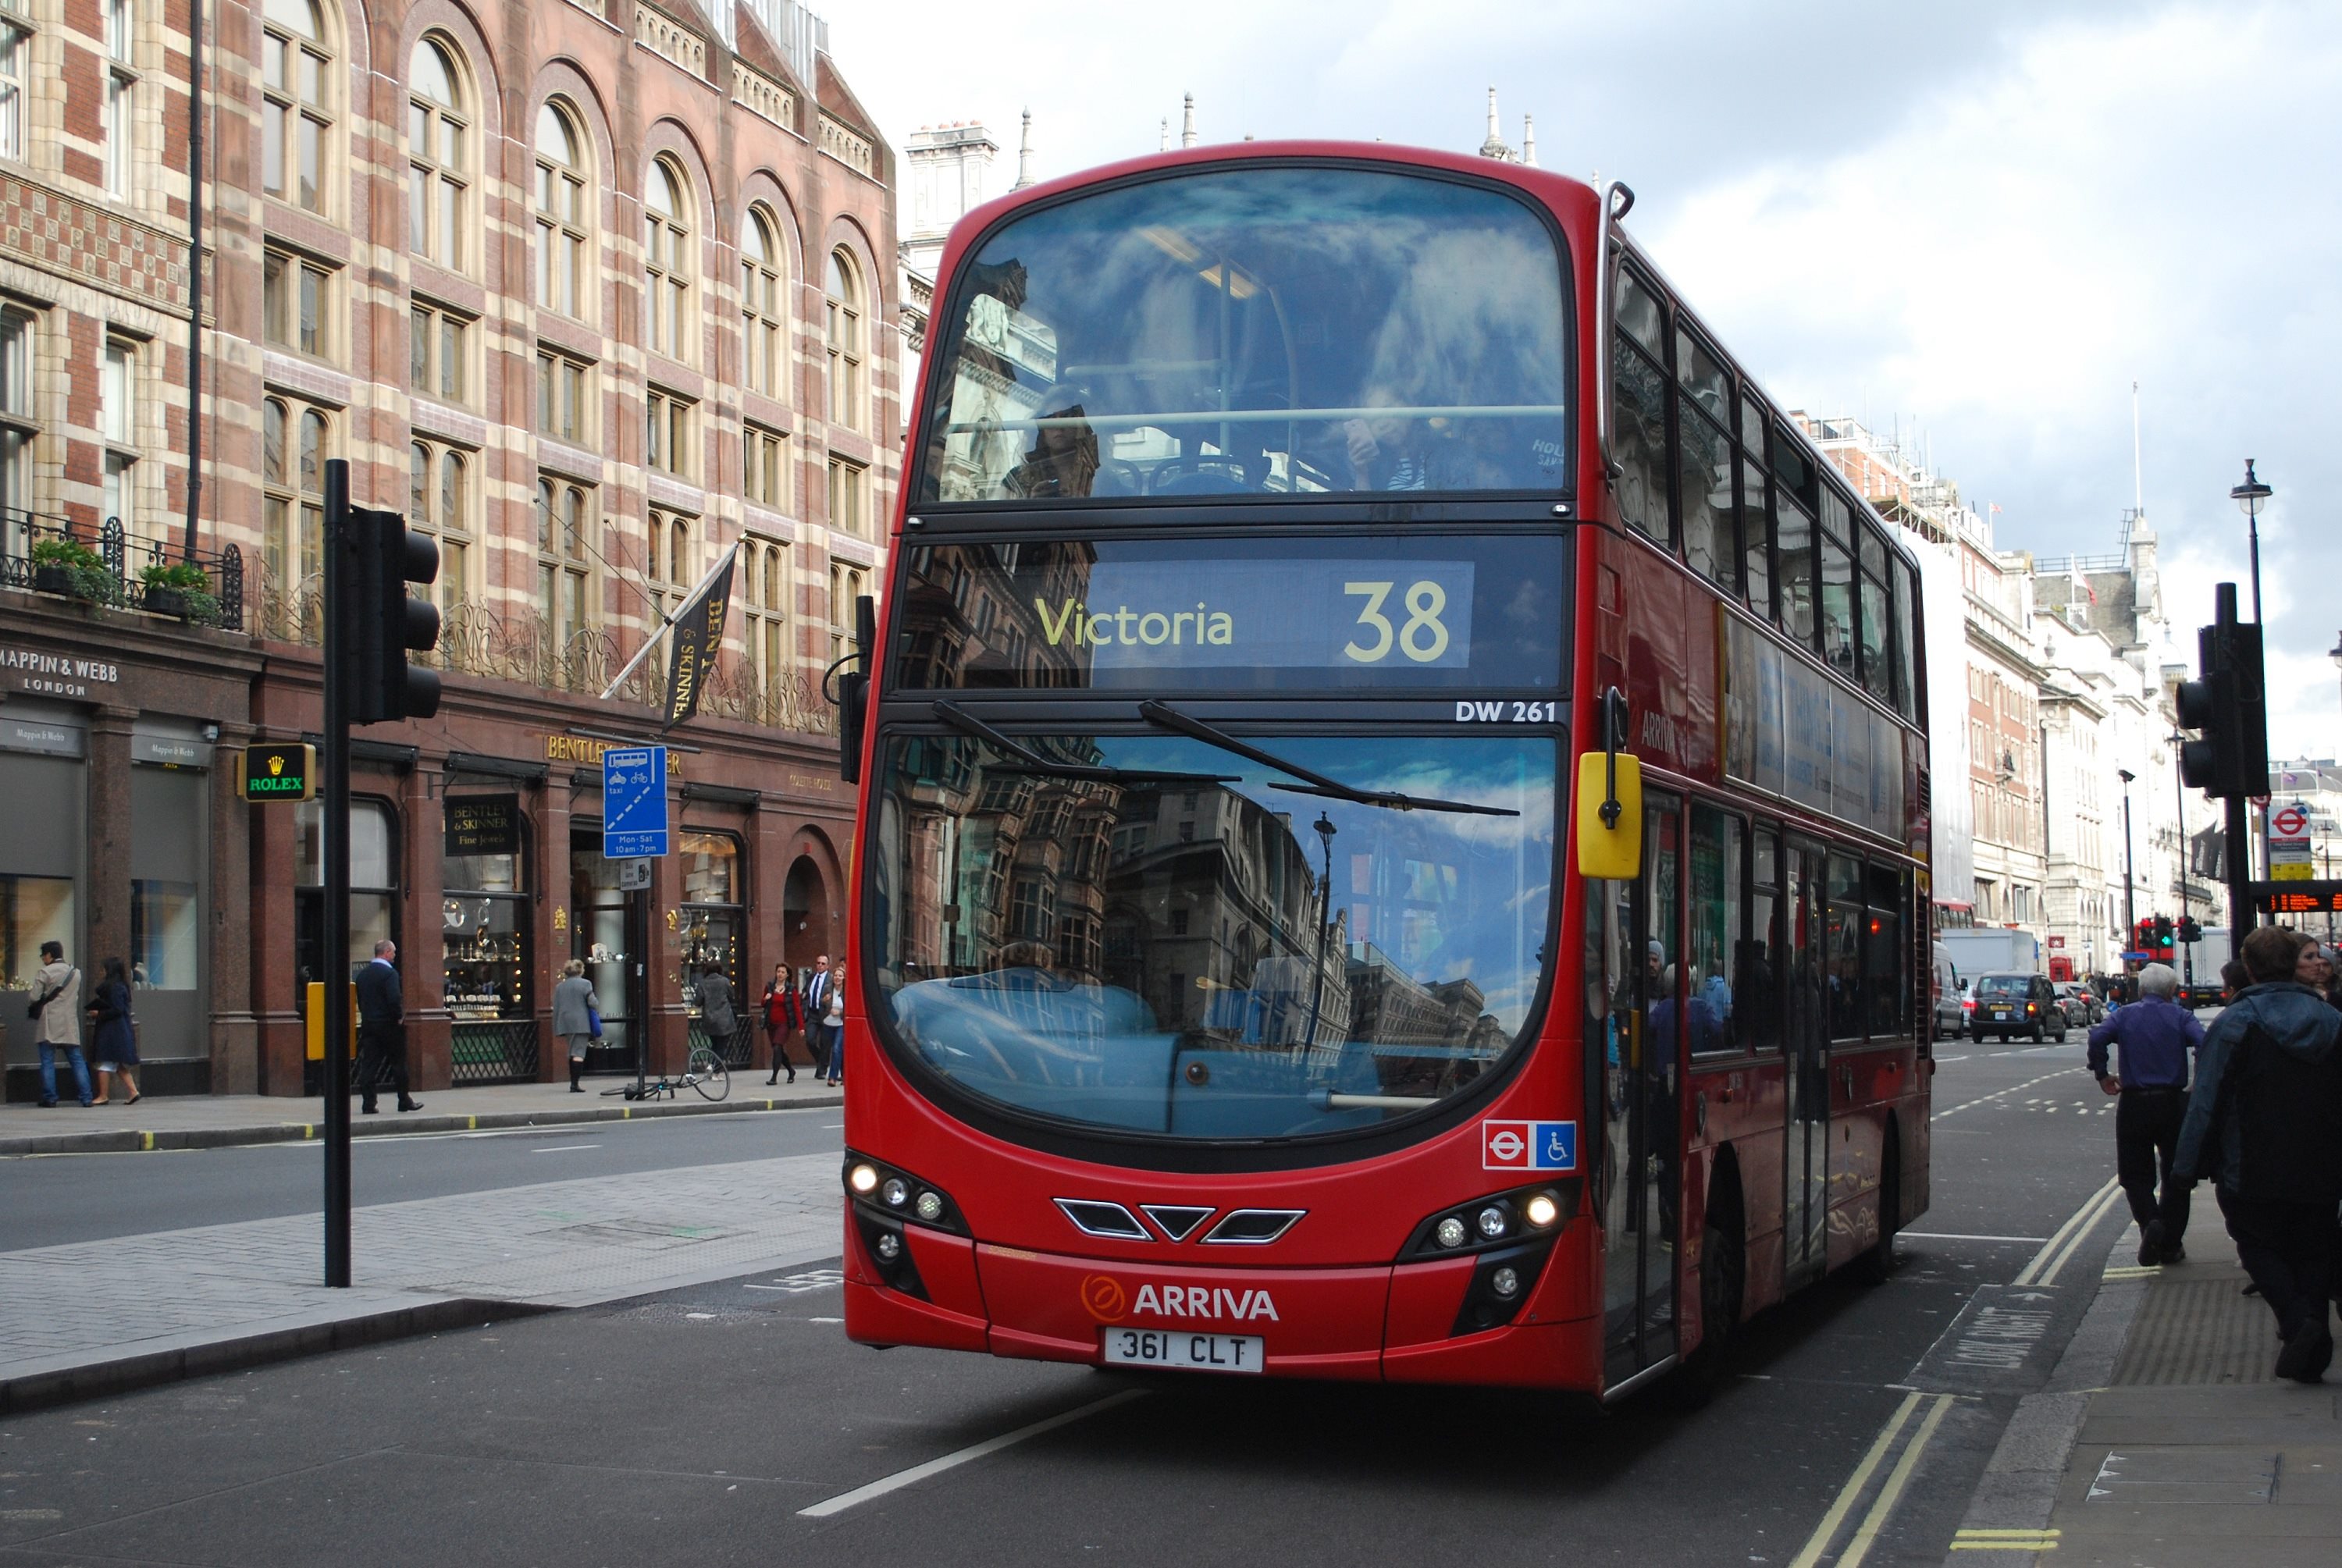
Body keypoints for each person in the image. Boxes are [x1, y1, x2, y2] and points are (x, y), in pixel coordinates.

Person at [2173, 926, 2342, 1382]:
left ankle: (2299, 1324)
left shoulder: (2234, 1023)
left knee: (2258, 1245)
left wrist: (2184, 1169)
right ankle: (2311, 1351)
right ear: (2295, 965)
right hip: (2322, 1166)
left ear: (2249, 968)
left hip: (2250, 1163)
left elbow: (2206, 1099)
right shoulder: (2331, 1021)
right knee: (2313, 1253)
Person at [2088, 962, 2205, 1265]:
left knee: (2135, 1175)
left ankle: (2151, 1220)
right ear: (2172, 991)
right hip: (2172, 1103)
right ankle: (2169, 1244)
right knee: (2177, 1174)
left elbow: (2098, 1036)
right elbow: (2205, 1043)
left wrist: (2102, 1074)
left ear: (2140, 991)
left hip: (2134, 1103)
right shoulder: (2180, 1016)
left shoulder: (2125, 1015)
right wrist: (2199, 1080)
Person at [355, 938, 422, 1115]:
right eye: (393, 952)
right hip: (389, 1025)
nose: (394, 955)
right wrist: (399, 1017)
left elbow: (361, 1001)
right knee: (399, 1063)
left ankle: (368, 1103)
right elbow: (394, 999)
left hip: (369, 1025)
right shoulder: (389, 974)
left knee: (369, 1065)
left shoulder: (363, 975)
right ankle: (404, 1100)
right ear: (386, 953)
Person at [28, 940, 91, 1108]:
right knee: (77, 1059)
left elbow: (34, 997)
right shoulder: (76, 972)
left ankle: (50, 1098)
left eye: (43, 955)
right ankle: (86, 1097)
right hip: (69, 1021)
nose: (42, 958)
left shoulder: (45, 972)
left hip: (49, 1021)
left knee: (47, 1060)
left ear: (49, 955)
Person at [86, 955, 141, 1105]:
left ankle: (103, 1095)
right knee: (117, 1065)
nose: (102, 972)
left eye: (104, 969)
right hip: (118, 1029)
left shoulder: (115, 987)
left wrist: (99, 1013)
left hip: (112, 1031)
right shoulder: (121, 986)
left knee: (104, 1063)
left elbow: (117, 1009)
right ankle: (133, 1091)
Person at [551, 958, 597, 1093]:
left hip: (565, 1022)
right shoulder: (586, 984)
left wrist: (556, 1026)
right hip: (581, 1022)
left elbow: (557, 1006)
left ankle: (573, 1082)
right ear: (581, 970)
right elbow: (593, 1002)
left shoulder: (560, 987)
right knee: (579, 1052)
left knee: (571, 1050)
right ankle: (574, 1084)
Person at [760, 962, 803, 1085]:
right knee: (777, 1049)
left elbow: (796, 1008)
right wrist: (765, 999)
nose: (780, 974)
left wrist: (801, 1027)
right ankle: (791, 1070)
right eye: (778, 971)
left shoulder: (791, 989)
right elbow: (763, 1003)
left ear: (787, 975)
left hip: (784, 1024)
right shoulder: (770, 986)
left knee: (778, 1047)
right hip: (771, 1023)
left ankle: (774, 1077)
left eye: (783, 972)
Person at [696, 963, 739, 1058]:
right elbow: (732, 996)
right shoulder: (725, 982)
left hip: (710, 1019)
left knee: (715, 1044)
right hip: (725, 1019)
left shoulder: (703, 983)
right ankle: (715, 1069)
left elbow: (698, 1002)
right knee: (721, 1046)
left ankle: (713, 1066)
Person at [803, 955, 836, 1079]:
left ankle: (821, 1070)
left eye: (823, 964)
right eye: (818, 963)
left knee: (825, 1043)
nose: (820, 966)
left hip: (826, 1014)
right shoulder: (811, 977)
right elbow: (806, 992)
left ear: (828, 966)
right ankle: (820, 1060)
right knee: (810, 1040)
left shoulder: (831, 979)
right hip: (812, 1013)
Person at [820, 965, 848, 1086]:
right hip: (828, 1023)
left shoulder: (847, 991)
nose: (837, 978)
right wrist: (824, 1001)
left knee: (837, 1049)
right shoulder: (827, 988)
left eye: (840, 976)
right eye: (836, 975)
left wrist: (840, 1012)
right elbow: (820, 1004)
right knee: (829, 1049)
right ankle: (845, 1075)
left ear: (844, 978)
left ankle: (832, 1078)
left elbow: (852, 1008)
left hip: (841, 1024)